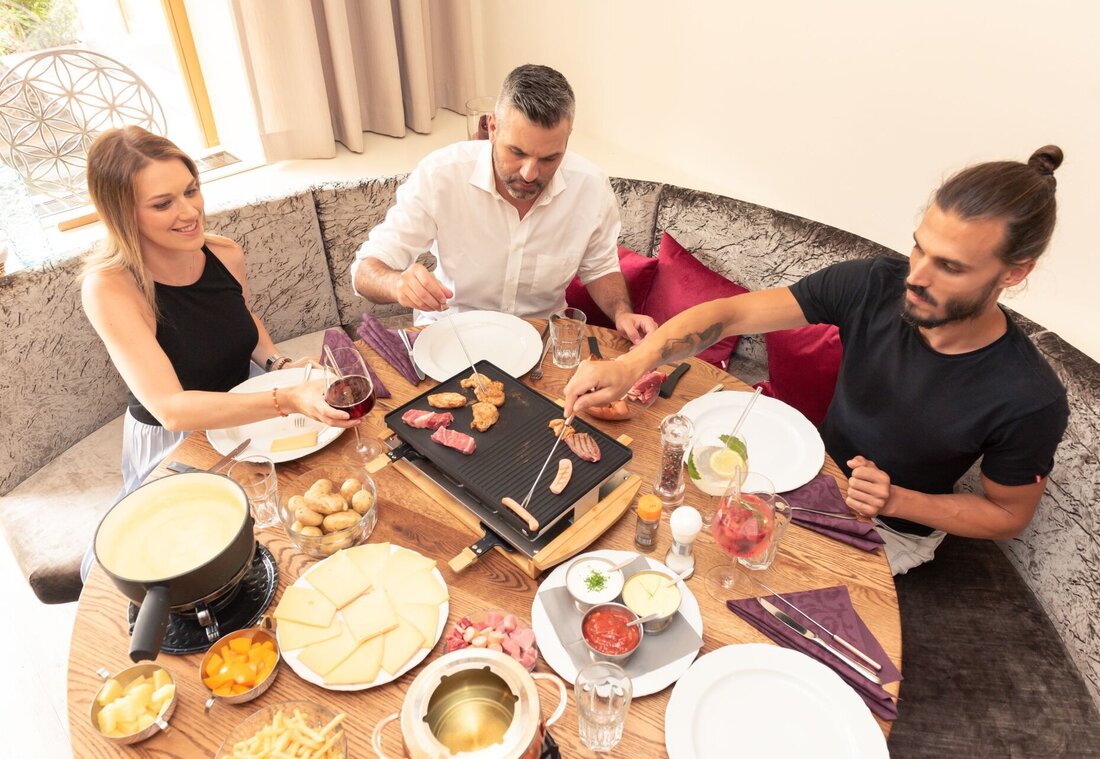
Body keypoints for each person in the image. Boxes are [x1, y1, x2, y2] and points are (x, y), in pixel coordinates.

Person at [565, 146, 1070, 574]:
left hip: (890, 527)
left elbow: (1007, 514)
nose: (917, 276)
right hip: (809, 478)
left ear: (1013, 273)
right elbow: (733, 313)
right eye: (919, 249)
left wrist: (896, 500)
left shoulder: (1028, 395)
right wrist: (632, 365)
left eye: (950, 267)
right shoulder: (874, 284)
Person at [81, 126, 356, 502]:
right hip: (175, 442)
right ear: (121, 213)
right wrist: (286, 398)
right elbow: (172, 410)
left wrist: (278, 363)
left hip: (246, 410)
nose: (190, 211)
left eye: (191, 190)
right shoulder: (110, 288)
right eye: (163, 204)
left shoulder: (225, 253)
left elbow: (240, 317)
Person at [351, 64, 657, 343]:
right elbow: (365, 272)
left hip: (542, 342)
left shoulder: (590, 187)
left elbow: (601, 268)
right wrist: (396, 284)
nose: (530, 173)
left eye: (550, 158)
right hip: (453, 338)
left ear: (567, 138)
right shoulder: (441, 174)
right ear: (493, 127)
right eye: (517, 152)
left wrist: (621, 312)